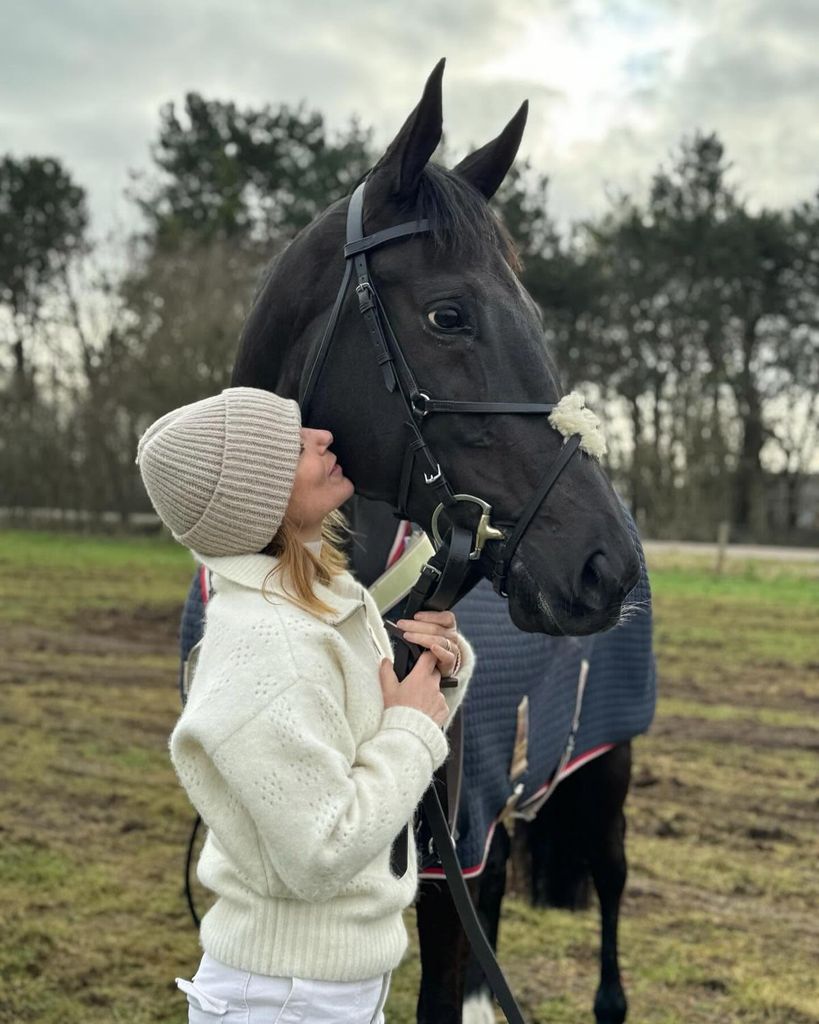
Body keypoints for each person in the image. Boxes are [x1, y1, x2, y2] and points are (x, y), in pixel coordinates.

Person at [135, 386, 474, 1024]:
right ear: (257, 500)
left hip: (325, 989)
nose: (323, 439)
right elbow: (321, 851)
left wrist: (437, 678)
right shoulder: (270, 645)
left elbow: (377, 745)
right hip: (283, 999)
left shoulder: (326, 598)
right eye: (296, 446)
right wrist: (409, 726)